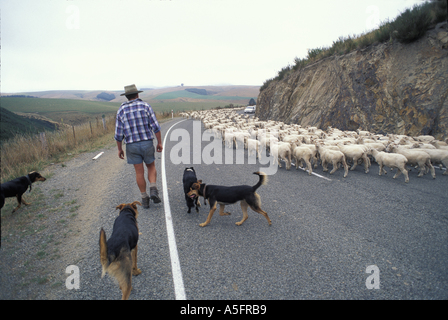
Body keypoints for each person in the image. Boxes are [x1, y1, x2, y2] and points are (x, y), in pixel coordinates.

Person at [114, 84, 163, 209]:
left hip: (131, 145)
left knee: (139, 172)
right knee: (151, 166)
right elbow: (155, 126)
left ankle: (144, 198)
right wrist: (159, 142)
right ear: (137, 94)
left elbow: (118, 134)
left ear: (126, 96)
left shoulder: (121, 110)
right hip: (146, 142)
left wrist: (119, 149)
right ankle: (153, 188)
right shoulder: (145, 106)